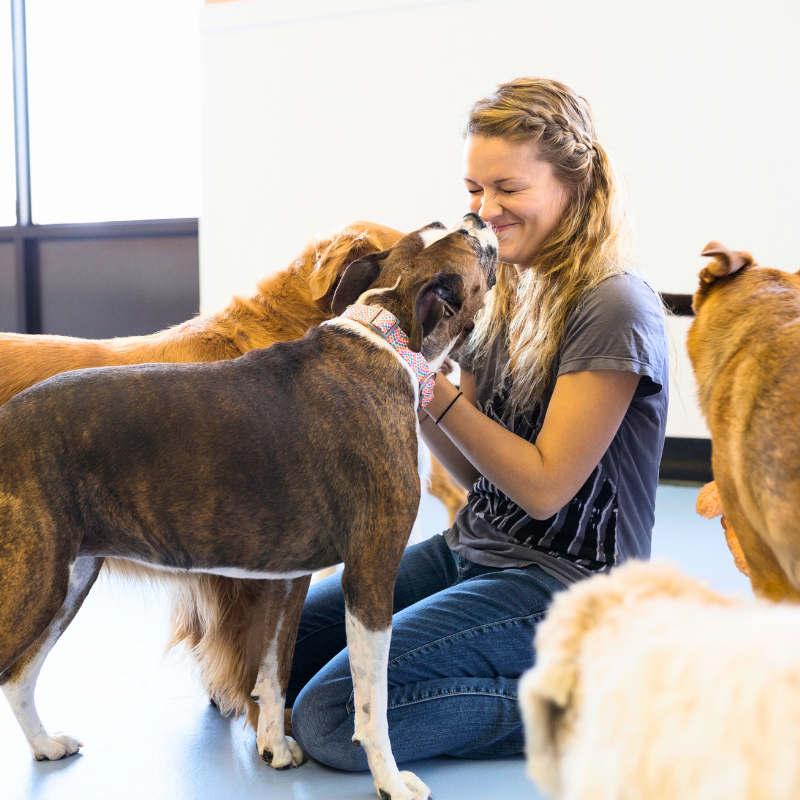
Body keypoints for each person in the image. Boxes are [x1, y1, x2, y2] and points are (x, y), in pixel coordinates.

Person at [288, 77, 668, 768]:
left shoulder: (614, 304)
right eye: (474, 189)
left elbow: (544, 490)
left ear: (574, 186)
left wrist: (425, 380)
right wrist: (404, 369)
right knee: (277, 656)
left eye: (508, 189)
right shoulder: (506, 288)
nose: (485, 211)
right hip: (476, 545)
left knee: (331, 719)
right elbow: (473, 472)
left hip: (568, 585)